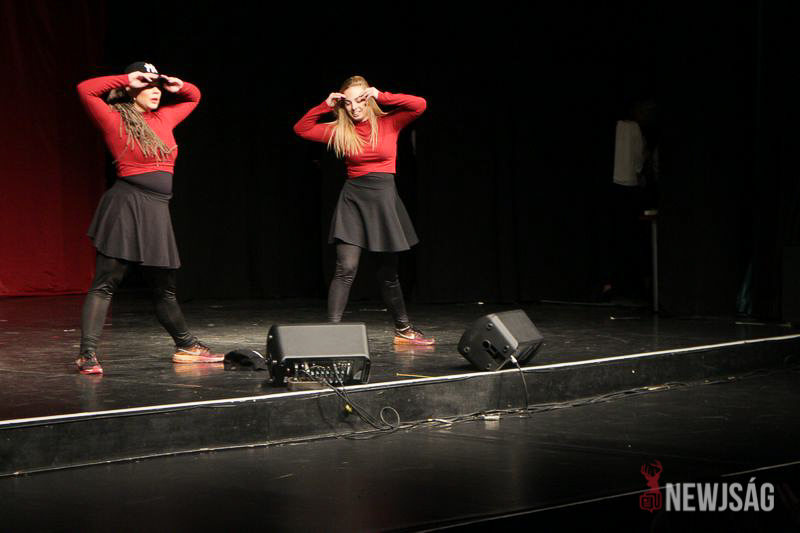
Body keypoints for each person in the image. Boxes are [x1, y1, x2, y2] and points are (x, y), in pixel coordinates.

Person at [74, 61, 221, 374]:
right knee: (106, 284)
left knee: (164, 289)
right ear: (131, 89)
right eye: (147, 86)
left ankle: (186, 346)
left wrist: (177, 85)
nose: (155, 92)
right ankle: (87, 355)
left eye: (158, 87)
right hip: (126, 205)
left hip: (156, 210)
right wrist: (129, 78)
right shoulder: (114, 118)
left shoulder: (165, 117)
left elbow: (194, 97)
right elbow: (85, 89)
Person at [293, 75, 435, 345]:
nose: (354, 107)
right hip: (353, 201)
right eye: (348, 103)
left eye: (360, 100)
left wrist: (382, 95)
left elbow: (419, 105)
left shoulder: (389, 122)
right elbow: (302, 129)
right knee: (345, 268)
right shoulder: (340, 130)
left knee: (388, 273)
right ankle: (331, 334)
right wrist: (325, 105)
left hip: (383, 200)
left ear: (368, 100)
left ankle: (403, 329)